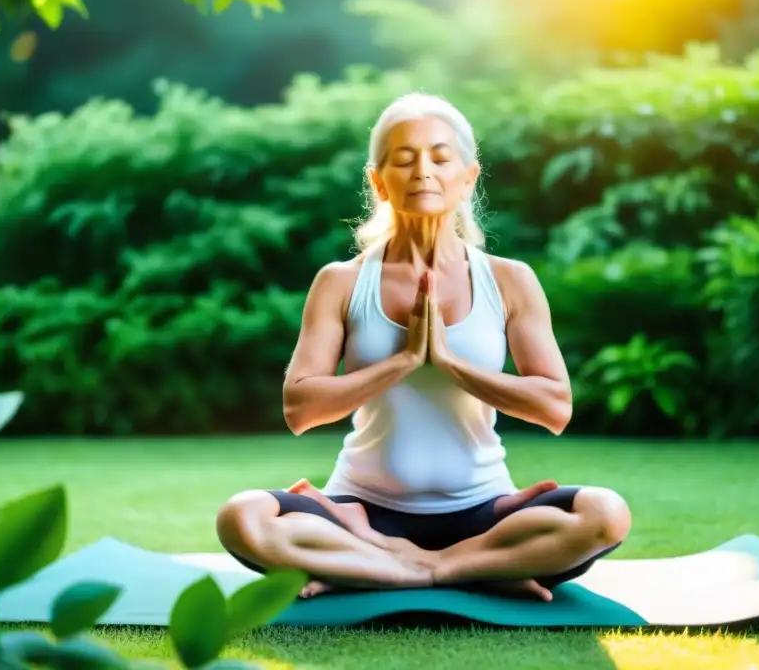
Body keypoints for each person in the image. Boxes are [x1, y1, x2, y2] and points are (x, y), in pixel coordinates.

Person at [215, 92, 631, 600]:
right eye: (404, 160)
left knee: (605, 514)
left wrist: (450, 363)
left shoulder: (510, 281)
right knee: (243, 517)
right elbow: (300, 409)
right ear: (379, 180)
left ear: (468, 177)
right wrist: (403, 361)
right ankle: (469, 569)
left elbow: (555, 407)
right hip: (360, 509)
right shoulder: (342, 282)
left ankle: (413, 568)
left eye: (439, 157)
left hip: (483, 512)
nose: (422, 172)